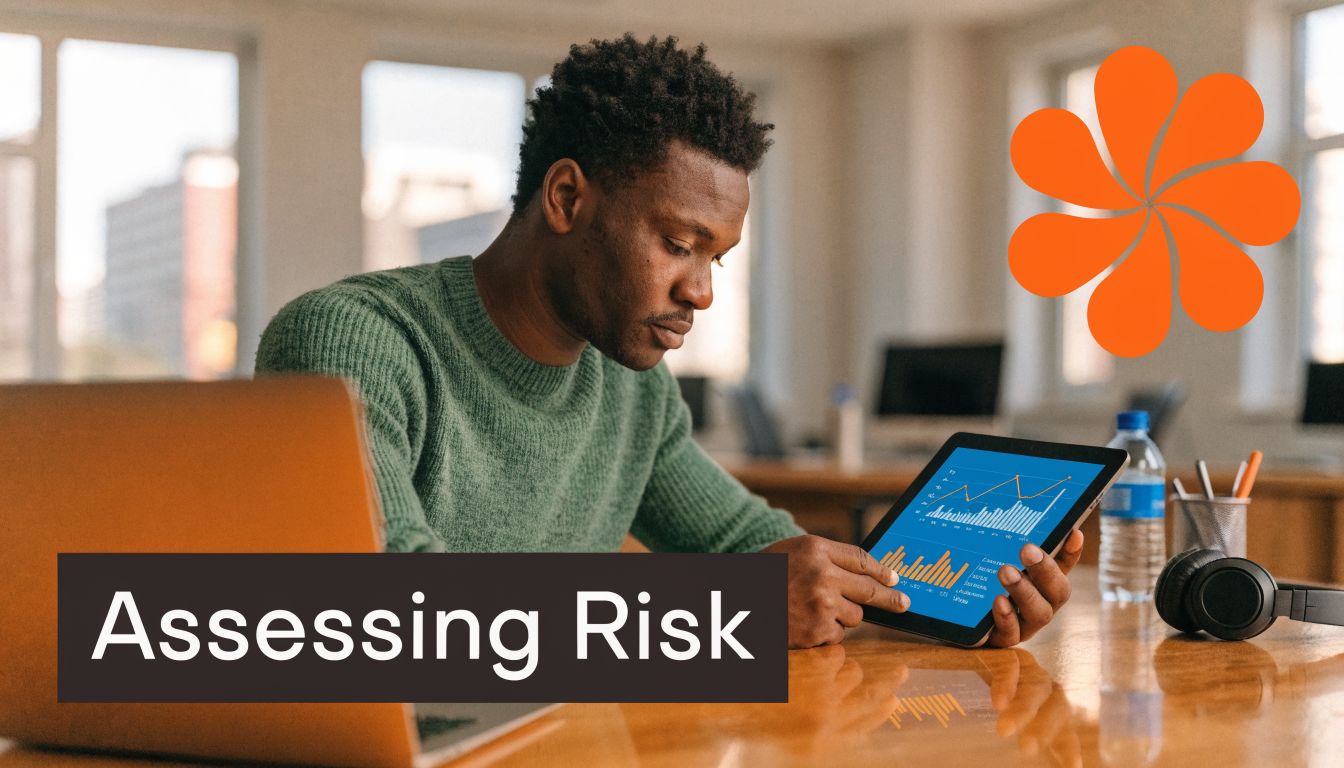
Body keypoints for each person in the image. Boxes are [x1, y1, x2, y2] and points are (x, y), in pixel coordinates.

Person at [255, 34, 1081, 648]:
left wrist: (947, 599)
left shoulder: (628, 386)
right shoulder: (350, 342)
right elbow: (381, 618)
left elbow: (752, 548)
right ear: (568, 197)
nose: (703, 291)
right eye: (678, 243)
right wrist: (722, 612)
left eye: (716, 258)